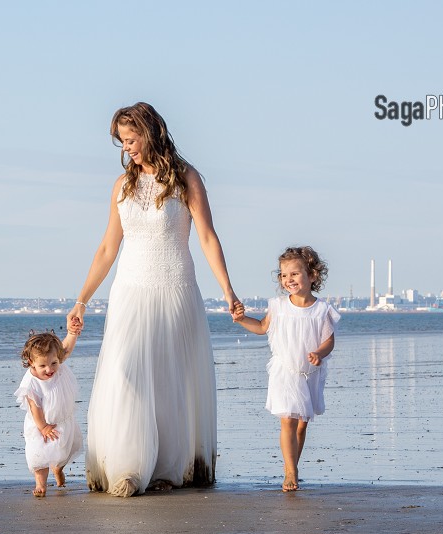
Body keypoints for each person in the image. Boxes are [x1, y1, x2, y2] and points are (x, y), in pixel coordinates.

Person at [67, 103, 243, 497]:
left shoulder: (187, 179)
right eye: (121, 141)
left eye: (131, 139)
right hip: (129, 291)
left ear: (151, 132)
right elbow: (108, 248)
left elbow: (208, 238)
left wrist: (228, 290)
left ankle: (165, 469)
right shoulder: (121, 186)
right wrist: (81, 300)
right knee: (123, 370)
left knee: (169, 381)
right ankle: (128, 466)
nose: (126, 147)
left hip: (175, 288)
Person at [231, 246, 339, 491]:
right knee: (288, 420)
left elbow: (329, 340)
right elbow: (261, 327)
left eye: (294, 274)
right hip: (284, 370)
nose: (288, 279)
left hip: (309, 373)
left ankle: (293, 465)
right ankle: (290, 472)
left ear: (312, 275)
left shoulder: (322, 310)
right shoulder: (278, 306)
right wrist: (241, 319)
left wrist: (319, 354)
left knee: (302, 424)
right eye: (283, 275)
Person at [16, 323, 84, 497]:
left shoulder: (57, 363)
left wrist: (72, 333)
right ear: (31, 362)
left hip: (62, 420)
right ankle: (41, 484)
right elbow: (34, 407)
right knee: (39, 455)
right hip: (41, 424)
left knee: (62, 451)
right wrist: (43, 427)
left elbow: (66, 348)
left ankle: (58, 469)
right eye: (43, 366)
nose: (50, 369)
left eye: (54, 363)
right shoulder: (31, 382)